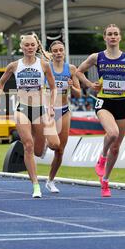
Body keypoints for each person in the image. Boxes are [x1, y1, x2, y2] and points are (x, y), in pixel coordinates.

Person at [76, 24, 125, 197]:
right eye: (109, 34)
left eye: (116, 34)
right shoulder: (96, 57)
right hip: (104, 102)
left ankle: (105, 181)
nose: (113, 37)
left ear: (120, 38)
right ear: (105, 37)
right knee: (112, 134)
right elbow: (78, 71)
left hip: (122, 102)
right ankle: (102, 157)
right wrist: (91, 85)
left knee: (116, 147)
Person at [0, 32, 60, 198]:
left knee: (38, 151)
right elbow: (1, 83)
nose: (29, 47)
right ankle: (35, 185)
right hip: (22, 108)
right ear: (21, 47)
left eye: (32, 45)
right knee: (28, 145)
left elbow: (53, 88)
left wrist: (51, 106)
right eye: (26, 45)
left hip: (39, 109)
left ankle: (42, 148)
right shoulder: (14, 66)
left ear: (36, 46)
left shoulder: (43, 65)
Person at [44, 40, 81, 193]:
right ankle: (43, 142)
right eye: (56, 50)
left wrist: (72, 85)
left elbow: (79, 93)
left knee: (60, 150)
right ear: (51, 53)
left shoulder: (71, 69)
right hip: (48, 111)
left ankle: (51, 181)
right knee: (52, 145)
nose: (58, 53)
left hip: (64, 110)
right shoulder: (45, 68)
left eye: (61, 50)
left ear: (64, 52)